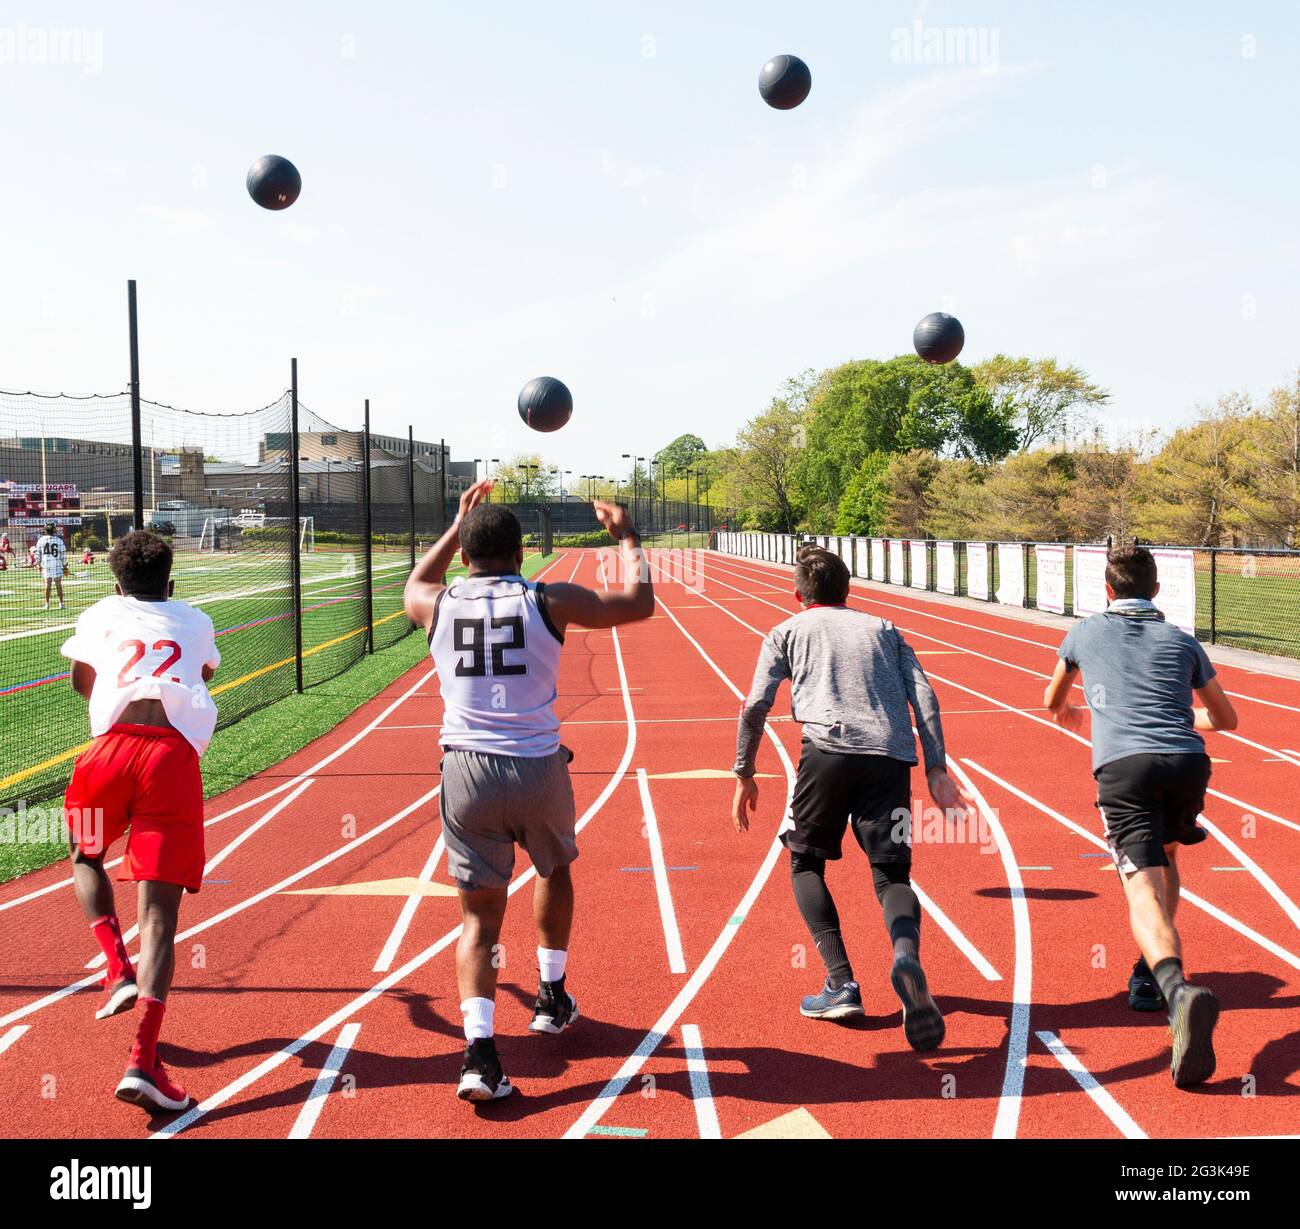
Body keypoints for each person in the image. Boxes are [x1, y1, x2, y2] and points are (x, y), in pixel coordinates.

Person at [403, 480, 655, 1101]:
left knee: (478, 919)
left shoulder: (436, 604)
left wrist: (454, 524)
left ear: (465, 555)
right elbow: (639, 603)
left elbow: (416, 578)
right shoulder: (550, 598)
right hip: (537, 763)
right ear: (522, 554)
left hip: (465, 770)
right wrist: (625, 536)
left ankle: (480, 1056)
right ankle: (549, 996)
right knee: (553, 868)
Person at [730, 546, 972, 1052]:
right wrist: (936, 767)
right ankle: (905, 956)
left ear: (799, 595)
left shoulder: (787, 632)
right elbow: (925, 695)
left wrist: (744, 772)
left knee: (804, 863)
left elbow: (755, 705)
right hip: (890, 760)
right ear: (848, 591)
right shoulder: (884, 629)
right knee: (892, 875)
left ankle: (841, 984)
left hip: (826, 754)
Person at [1043, 545, 1238, 1087]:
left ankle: (1176, 992)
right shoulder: (1182, 640)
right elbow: (1228, 719)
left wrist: (1074, 709)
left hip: (1125, 768)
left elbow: (1051, 698)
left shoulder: (1084, 632)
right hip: (1186, 762)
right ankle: (1149, 977)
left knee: (1141, 889)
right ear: (1156, 591)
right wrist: (1181, 714)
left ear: (1107, 591)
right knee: (1169, 856)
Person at [61, 530, 221, 1112]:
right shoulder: (196, 618)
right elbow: (200, 676)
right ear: (171, 581)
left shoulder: (102, 611)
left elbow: (84, 682)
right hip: (170, 759)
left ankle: (114, 965)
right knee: (158, 918)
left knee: (86, 856)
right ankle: (142, 1061)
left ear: (116, 583)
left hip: (108, 753)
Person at [36, 522, 67, 609]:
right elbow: (63, 554)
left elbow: (38, 553)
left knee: (47, 584)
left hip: (46, 565)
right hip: (57, 564)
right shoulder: (59, 540)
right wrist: (64, 566)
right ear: (54, 529)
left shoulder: (41, 540)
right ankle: (61, 603)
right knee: (58, 584)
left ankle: (47, 603)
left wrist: (38, 564)